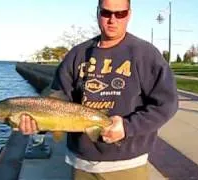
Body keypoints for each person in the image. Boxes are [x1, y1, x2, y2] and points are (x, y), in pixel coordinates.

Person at [18, 0, 178, 179]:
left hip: (128, 165)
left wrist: (127, 127)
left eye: (120, 14)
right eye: (106, 13)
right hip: (81, 164)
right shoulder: (77, 55)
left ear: (129, 15)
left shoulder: (145, 54)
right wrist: (38, 124)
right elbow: (56, 99)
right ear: (97, 12)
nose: (112, 19)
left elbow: (166, 104)